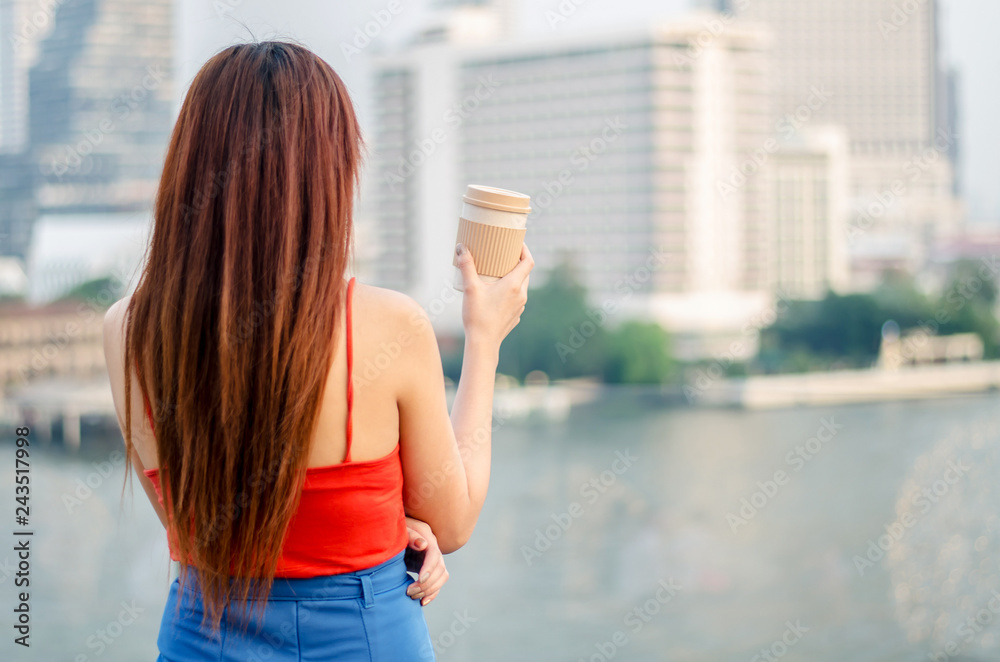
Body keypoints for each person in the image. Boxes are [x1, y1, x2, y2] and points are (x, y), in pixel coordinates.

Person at [101, 41, 533, 661]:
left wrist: (377, 523)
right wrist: (485, 339)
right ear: (326, 175)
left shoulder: (128, 331)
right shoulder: (389, 325)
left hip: (201, 636)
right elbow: (455, 520)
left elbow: (193, 517)